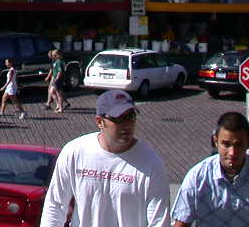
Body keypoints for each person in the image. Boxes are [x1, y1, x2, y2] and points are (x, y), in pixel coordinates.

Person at [41, 89, 170, 227]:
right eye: (119, 118)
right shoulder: (74, 153)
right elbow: (55, 206)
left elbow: (159, 222)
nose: (127, 125)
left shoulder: (151, 164)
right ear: (99, 121)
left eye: (131, 116)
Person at [171, 110, 249, 227]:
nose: (232, 152)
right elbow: (181, 223)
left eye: (238, 145)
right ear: (216, 142)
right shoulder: (197, 177)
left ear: (248, 143)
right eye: (226, 144)